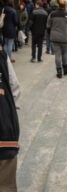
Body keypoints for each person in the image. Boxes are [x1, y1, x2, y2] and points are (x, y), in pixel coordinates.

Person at [0, 48, 20, 191]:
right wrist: (11, 111)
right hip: (4, 126)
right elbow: (15, 87)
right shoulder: (2, 55)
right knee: (6, 185)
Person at [46, 0, 67, 79]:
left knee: (57, 54)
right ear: (65, 6)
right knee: (64, 54)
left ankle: (59, 71)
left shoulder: (52, 14)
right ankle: (65, 69)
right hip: (64, 37)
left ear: (57, 5)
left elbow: (48, 25)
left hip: (54, 37)